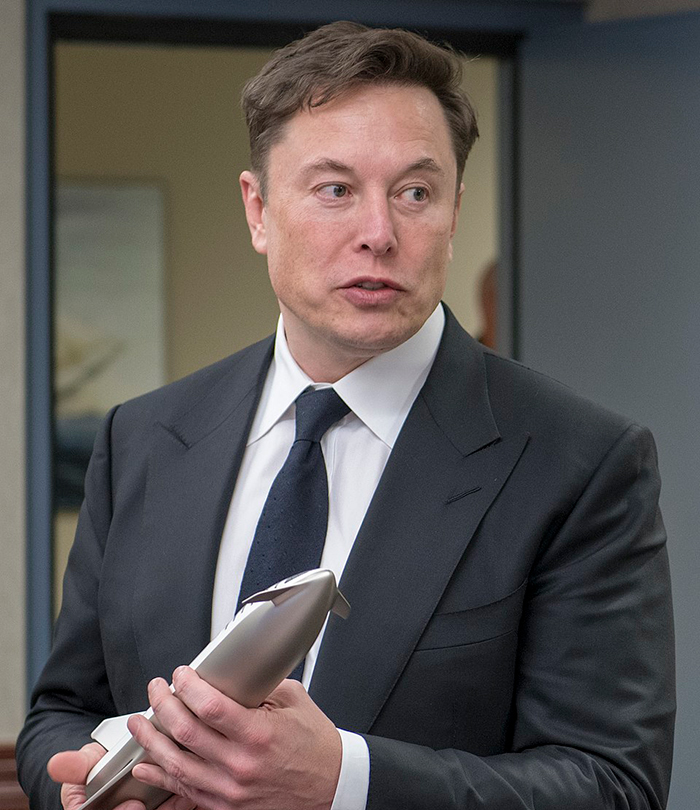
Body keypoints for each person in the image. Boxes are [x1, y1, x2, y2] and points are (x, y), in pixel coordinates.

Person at [17, 20, 675, 810]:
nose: (378, 234)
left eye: (415, 193)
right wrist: (84, 780)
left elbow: (613, 786)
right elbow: (60, 714)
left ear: (455, 211)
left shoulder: (580, 463)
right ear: (258, 210)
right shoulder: (142, 439)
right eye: (335, 190)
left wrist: (344, 782)